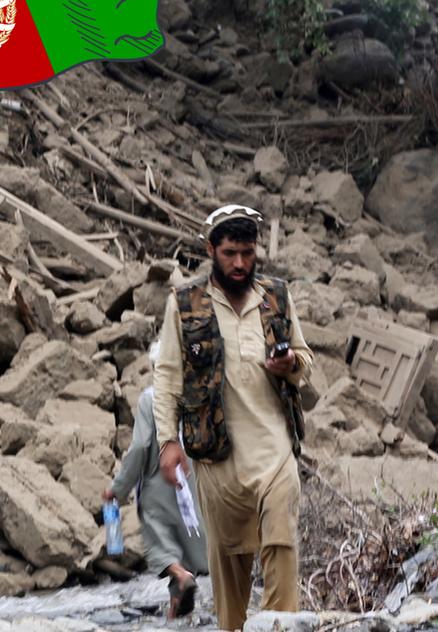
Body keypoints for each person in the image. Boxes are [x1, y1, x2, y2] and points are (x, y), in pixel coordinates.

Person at [153, 204, 314, 631]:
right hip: (218, 457)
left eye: (247, 252)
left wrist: (291, 364)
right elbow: (167, 377)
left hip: (274, 448)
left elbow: (305, 359)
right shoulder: (184, 306)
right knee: (229, 565)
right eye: (230, 253)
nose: (240, 263)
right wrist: (168, 442)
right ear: (211, 250)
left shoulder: (276, 298)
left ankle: (279, 626)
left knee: (282, 541)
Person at [103, 347, 208, 618]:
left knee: (161, 547)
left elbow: (139, 447)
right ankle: (178, 609)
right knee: (187, 549)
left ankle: (181, 577)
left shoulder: (150, 399)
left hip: (158, 486)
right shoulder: (196, 397)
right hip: (192, 486)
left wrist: (118, 489)